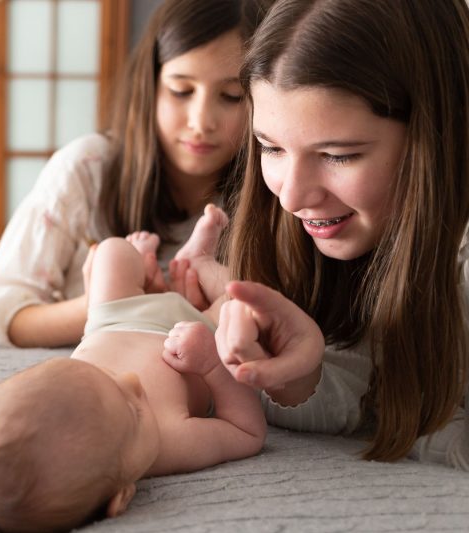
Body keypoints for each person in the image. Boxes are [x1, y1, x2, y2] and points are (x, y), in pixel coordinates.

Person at [0, 206, 265, 532]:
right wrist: (210, 362)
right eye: (134, 413)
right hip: (195, 334)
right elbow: (246, 432)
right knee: (243, 304)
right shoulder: (171, 446)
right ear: (121, 497)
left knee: (112, 253)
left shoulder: (12, 417)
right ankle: (198, 264)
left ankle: (157, 272)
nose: (131, 382)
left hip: (116, 318)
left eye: (102, 377)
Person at [175, 0, 468, 469]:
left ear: (436, 135)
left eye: (338, 155)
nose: (291, 197)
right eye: (270, 147)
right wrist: (294, 369)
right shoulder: (347, 235)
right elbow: (360, 392)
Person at [0, 0, 273, 348]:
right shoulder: (87, 169)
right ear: (150, 85)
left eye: (231, 96)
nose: (200, 122)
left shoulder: (275, 188)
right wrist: (107, 302)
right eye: (181, 91)